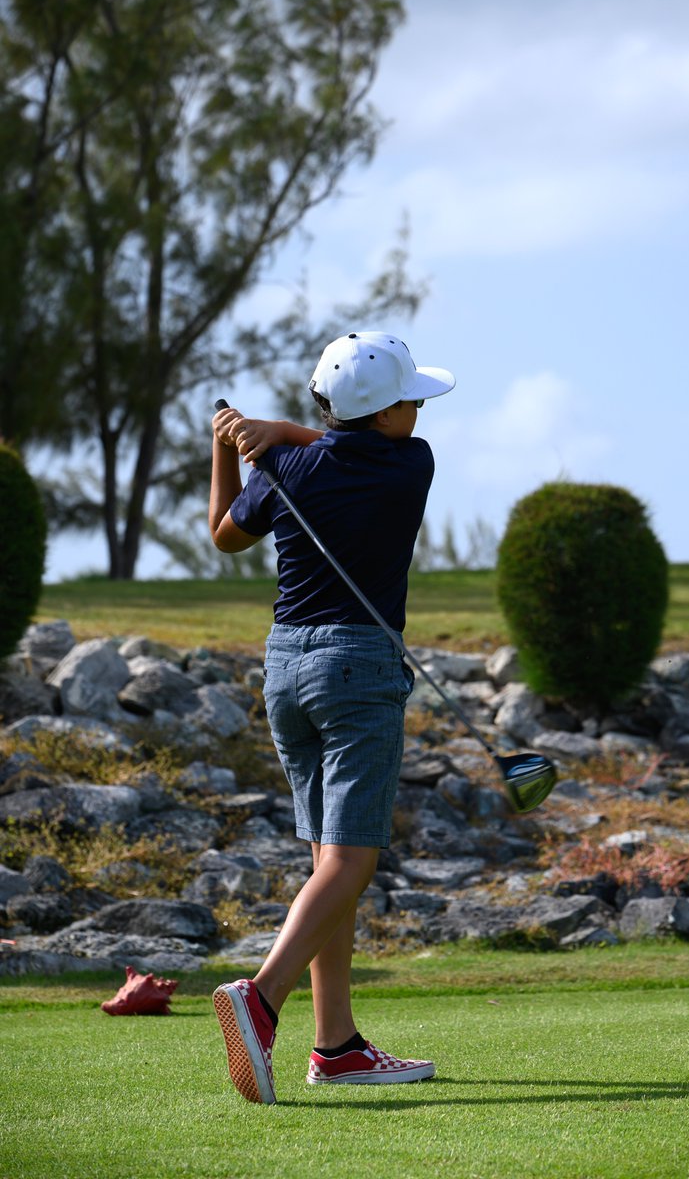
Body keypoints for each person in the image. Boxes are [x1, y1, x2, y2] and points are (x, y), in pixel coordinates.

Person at [208, 330, 455, 1104]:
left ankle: (337, 1045)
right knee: (351, 862)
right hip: (355, 668)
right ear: (384, 415)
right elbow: (336, 445)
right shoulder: (412, 462)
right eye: (409, 398)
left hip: (285, 665)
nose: (417, 407)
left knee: (327, 865)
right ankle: (262, 998)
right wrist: (280, 436)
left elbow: (223, 537)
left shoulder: (287, 465)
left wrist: (241, 445)